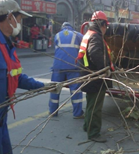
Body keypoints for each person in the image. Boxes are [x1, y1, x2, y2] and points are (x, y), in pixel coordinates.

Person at [0, 0, 50, 154]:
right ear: (10, 17)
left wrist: (43, 86)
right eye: (19, 18)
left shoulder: (5, 43)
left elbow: (15, 76)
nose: (20, 23)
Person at [77, 11, 115, 143]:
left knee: (90, 104)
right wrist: (105, 68)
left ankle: (87, 126)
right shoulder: (96, 37)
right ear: (103, 25)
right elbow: (94, 53)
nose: (106, 30)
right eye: (106, 26)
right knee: (96, 107)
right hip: (95, 77)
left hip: (89, 76)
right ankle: (94, 133)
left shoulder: (89, 34)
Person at [49, 22, 84, 118]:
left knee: (55, 89)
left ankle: (53, 112)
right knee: (75, 91)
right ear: (71, 27)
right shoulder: (78, 35)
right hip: (73, 66)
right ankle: (77, 113)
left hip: (58, 66)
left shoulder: (57, 36)